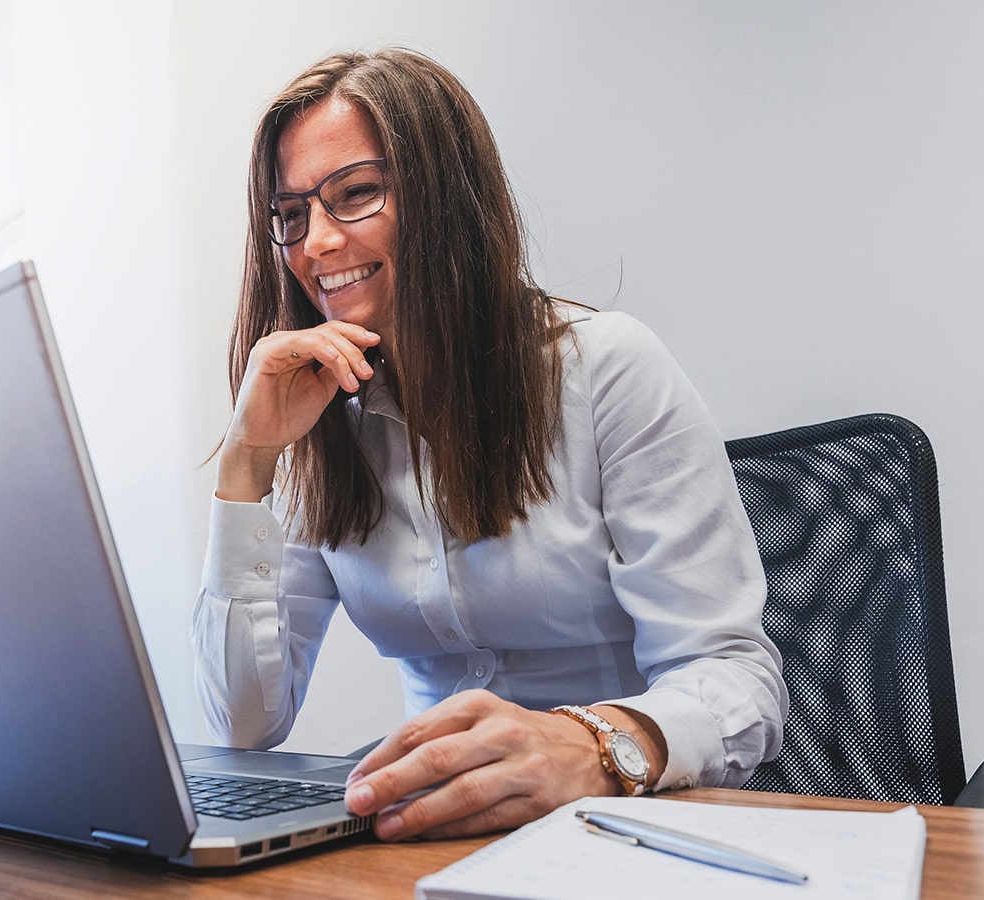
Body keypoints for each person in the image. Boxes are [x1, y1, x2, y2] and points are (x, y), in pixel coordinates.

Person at [191, 47, 787, 842]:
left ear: (446, 198)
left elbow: (738, 681)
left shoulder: (605, 369)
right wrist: (248, 468)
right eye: (292, 215)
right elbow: (244, 725)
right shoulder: (316, 416)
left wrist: (592, 745)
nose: (318, 243)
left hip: (630, 827)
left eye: (356, 194)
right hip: (428, 837)